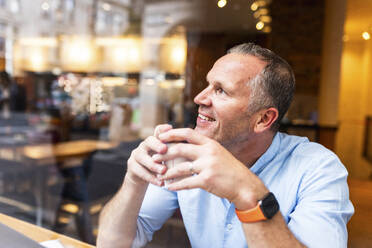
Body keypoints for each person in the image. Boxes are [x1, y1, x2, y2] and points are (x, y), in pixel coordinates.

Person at [97, 43, 354, 248]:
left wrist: (248, 193)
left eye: (221, 91)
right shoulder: (184, 155)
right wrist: (134, 181)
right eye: (208, 84)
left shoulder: (318, 168)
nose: (199, 97)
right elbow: (112, 243)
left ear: (263, 119)